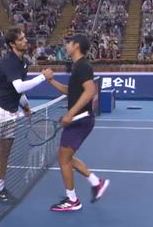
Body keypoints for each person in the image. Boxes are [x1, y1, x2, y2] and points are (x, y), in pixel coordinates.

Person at [0, 29, 52, 207]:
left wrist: (25, 106)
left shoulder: (24, 63)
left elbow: (17, 91)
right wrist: (43, 77)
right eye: (21, 39)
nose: (25, 40)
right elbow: (20, 87)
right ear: (12, 44)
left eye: (24, 37)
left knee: (5, 152)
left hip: (11, 112)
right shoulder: (8, 61)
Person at [43, 34, 109, 212]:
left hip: (80, 119)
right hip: (79, 119)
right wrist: (51, 81)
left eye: (68, 43)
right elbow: (71, 91)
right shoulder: (77, 67)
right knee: (66, 157)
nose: (66, 46)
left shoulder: (83, 66)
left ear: (76, 46)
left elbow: (90, 91)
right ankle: (96, 182)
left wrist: (70, 114)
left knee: (63, 158)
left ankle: (73, 201)